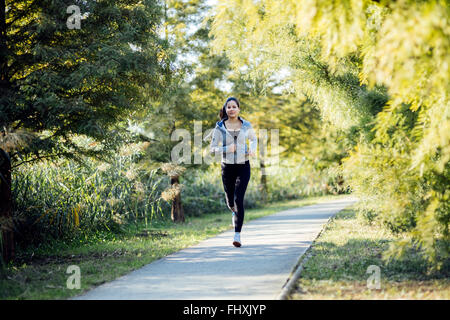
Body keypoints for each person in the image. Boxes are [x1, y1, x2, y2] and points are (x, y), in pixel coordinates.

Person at [209, 97, 257, 247]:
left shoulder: (246, 125)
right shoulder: (219, 128)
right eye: (228, 107)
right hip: (227, 167)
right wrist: (226, 149)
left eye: (234, 106)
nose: (231, 109)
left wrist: (252, 149)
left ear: (238, 109)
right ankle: (232, 210)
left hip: (243, 165)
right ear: (225, 109)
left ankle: (237, 235)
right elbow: (212, 149)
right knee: (231, 201)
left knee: (238, 199)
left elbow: (254, 139)